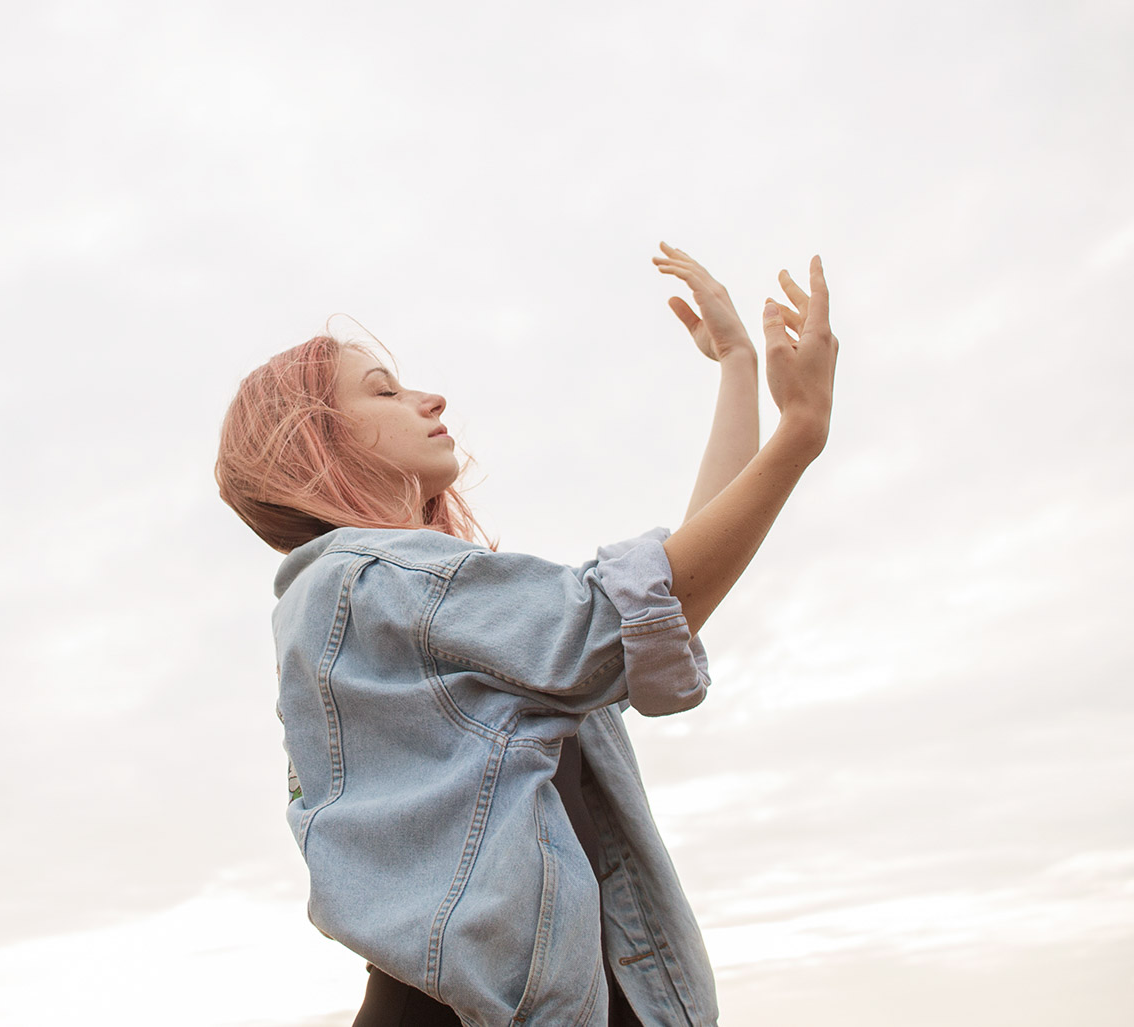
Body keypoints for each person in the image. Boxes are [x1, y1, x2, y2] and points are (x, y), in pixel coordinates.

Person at [214, 245, 839, 1026]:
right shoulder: (363, 583)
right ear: (314, 438)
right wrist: (799, 434)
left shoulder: (424, 606)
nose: (431, 398)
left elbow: (669, 599)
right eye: (385, 390)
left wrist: (738, 368)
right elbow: (628, 615)